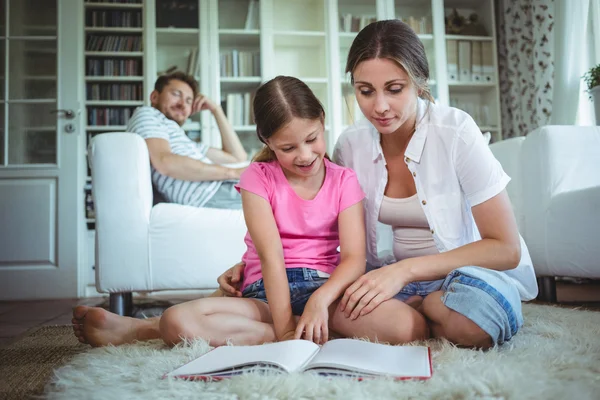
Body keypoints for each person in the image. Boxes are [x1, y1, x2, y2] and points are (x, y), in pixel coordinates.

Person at [217, 20, 539, 349]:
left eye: (395, 89)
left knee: (476, 325)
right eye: (365, 91)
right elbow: (321, 222)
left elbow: (506, 248)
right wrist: (251, 261)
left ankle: (428, 307)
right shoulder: (351, 144)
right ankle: (419, 314)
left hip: (458, 274)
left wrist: (407, 271)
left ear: (419, 82)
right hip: (384, 277)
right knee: (387, 319)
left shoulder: (456, 131)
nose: (379, 106)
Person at [72, 76, 368, 347]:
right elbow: (270, 255)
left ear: (322, 122)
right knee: (178, 321)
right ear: (268, 142)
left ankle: (144, 328)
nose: (304, 155)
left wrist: (319, 301)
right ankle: (302, 333)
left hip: (322, 286)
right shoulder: (254, 173)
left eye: (312, 139)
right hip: (265, 293)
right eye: (288, 148)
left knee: (403, 328)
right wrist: (286, 333)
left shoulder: (343, 179)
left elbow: (354, 257)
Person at [126, 71, 248, 209]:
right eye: (176, 94)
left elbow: (238, 157)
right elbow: (164, 162)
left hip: (222, 189)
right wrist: (233, 173)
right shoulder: (148, 114)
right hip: (211, 193)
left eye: (189, 101)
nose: (183, 104)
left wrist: (216, 109)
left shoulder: (184, 143)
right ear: (154, 96)